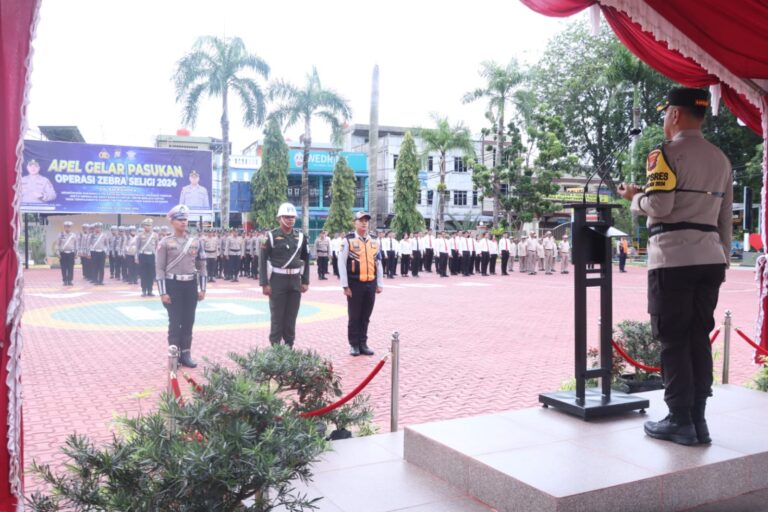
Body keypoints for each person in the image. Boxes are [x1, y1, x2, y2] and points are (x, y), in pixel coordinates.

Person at [618, 87, 731, 446]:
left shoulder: (663, 153)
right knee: (698, 336)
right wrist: (723, 257)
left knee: (673, 338)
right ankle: (698, 420)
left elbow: (661, 207)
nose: (666, 119)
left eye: (666, 112)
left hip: (673, 259)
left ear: (675, 114)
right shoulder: (721, 158)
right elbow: (724, 218)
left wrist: (635, 197)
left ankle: (679, 420)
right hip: (710, 258)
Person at [156, 204, 207, 368]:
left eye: (185, 219)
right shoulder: (165, 242)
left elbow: (202, 266)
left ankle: (186, 354)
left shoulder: (196, 242)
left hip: (190, 285)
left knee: (188, 320)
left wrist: (202, 288)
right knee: (175, 321)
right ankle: (174, 355)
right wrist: (163, 292)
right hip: (173, 285)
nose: (183, 222)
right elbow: (160, 269)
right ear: (172, 221)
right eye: (179, 219)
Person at [259, 202, 310, 348]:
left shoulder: (301, 237)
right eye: (287, 217)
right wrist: (264, 283)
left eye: (292, 217)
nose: (290, 220)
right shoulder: (270, 236)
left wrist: (305, 281)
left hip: (295, 280)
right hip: (277, 280)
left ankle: (289, 347)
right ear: (279, 218)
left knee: (291, 317)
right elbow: (262, 261)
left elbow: (306, 259)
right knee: (277, 317)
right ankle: (275, 349)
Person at [339, 211, 383, 356]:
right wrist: (345, 286)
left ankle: (363, 344)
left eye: (366, 221)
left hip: (371, 284)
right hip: (355, 284)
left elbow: (379, 263)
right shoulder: (348, 240)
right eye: (361, 220)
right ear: (355, 223)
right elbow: (341, 263)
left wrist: (380, 283)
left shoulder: (375, 240)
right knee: (354, 316)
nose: (364, 223)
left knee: (365, 316)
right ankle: (354, 344)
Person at [136, 218, 158, 296]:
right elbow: (137, 247)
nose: (148, 227)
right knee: (143, 274)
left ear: (152, 226)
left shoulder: (155, 235)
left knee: (151, 274)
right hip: (143, 256)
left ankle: (150, 290)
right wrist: (136, 257)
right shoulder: (140, 235)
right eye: (146, 225)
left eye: (149, 225)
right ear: (143, 226)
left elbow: (157, 247)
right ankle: (143, 290)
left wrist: (157, 258)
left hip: (151, 256)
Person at [57, 221, 77, 286]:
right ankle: (65, 280)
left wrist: (76, 253)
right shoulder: (61, 235)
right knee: (64, 268)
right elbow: (58, 245)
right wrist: (58, 253)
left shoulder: (74, 235)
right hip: (63, 253)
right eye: (66, 226)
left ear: (71, 227)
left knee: (71, 267)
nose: (67, 228)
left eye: (69, 227)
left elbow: (76, 245)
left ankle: (70, 280)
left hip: (71, 253)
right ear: (64, 227)